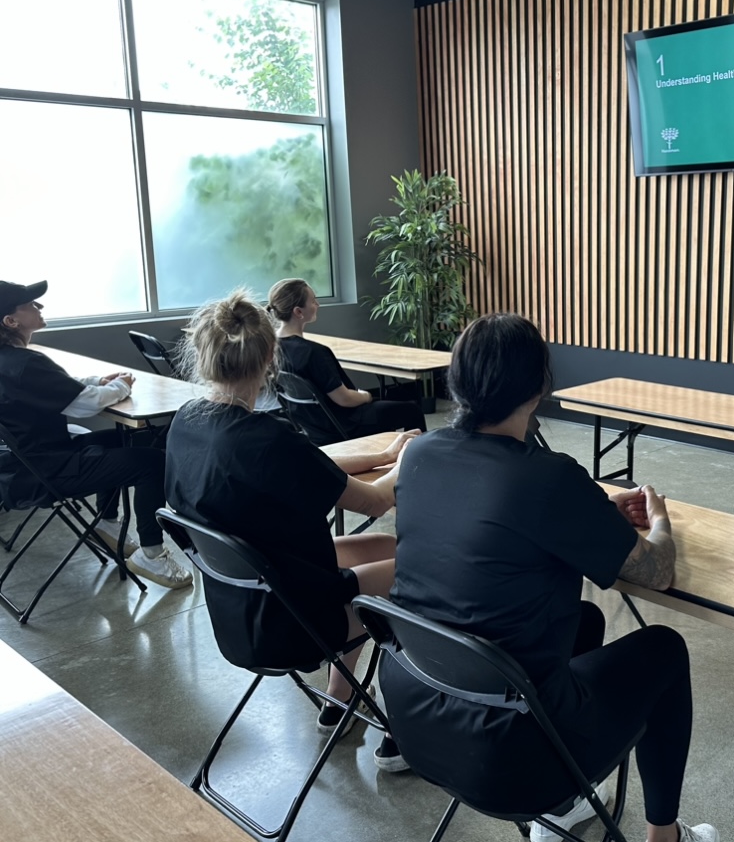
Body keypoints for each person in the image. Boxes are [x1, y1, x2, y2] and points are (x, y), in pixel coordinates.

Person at [382, 313, 718, 842]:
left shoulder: (421, 454)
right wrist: (658, 521)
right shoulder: (550, 477)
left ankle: (563, 807)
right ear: (540, 385)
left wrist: (593, 510)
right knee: (666, 650)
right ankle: (666, 837)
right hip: (511, 757)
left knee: (581, 618)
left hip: (415, 716)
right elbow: (656, 571)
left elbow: (487, 522)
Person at [165, 289, 418, 770]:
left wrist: (381, 455)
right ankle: (405, 730)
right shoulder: (268, 439)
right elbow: (377, 499)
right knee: (420, 565)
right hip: (294, 623)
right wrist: (406, 460)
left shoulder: (190, 423)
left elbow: (314, 465)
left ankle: (339, 705)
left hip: (240, 607)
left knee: (387, 545)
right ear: (269, 356)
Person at [0, 279, 192, 589]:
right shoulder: (25, 363)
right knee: (152, 463)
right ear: (11, 321)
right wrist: (120, 387)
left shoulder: (13, 362)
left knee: (131, 440)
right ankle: (151, 554)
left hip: (22, 468)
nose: (40, 306)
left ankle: (107, 522)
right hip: (47, 471)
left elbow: (60, 385)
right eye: (31, 304)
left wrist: (98, 380)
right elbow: (85, 405)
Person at [266, 278, 427, 444]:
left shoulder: (270, 347)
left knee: (385, 409)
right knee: (411, 410)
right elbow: (344, 399)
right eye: (313, 301)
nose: (318, 305)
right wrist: (366, 396)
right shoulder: (314, 352)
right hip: (344, 423)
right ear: (299, 312)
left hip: (312, 425)